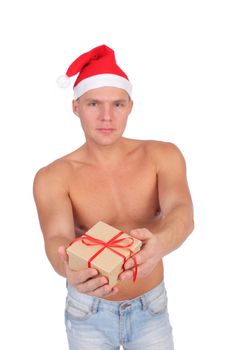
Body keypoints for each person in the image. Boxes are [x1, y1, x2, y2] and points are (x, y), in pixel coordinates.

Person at [33, 44, 194, 350]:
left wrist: (159, 244)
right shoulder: (53, 176)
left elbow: (181, 212)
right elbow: (56, 238)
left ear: (130, 106)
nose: (107, 116)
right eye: (94, 104)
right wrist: (67, 268)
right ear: (76, 107)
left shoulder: (163, 155)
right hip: (87, 310)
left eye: (117, 104)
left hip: (152, 306)